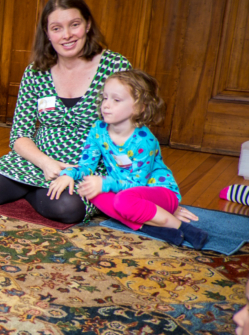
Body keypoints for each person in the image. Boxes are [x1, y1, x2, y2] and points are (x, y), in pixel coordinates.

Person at [0, 0, 131, 224]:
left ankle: (32, 192)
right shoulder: (35, 71)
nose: (67, 35)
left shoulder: (116, 66)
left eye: (75, 25)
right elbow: (19, 134)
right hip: (39, 160)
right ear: (46, 32)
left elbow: (129, 131)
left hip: (88, 165)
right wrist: (46, 163)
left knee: (68, 208)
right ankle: (39, 191)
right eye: (57, 28)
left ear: (88, 25)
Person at [48, 70, 208, 249]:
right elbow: (87, 166)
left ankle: (186, 229)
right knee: (89, 190)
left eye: (116, 100)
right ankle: (154, 228)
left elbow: (137, 184)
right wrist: (68, 174)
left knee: (122, 200)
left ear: (140, 107)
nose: (106, 105)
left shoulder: (144, 141)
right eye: (105, 98)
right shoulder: (98, 130)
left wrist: (105, 182)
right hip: (125, 195)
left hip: (156, 192)